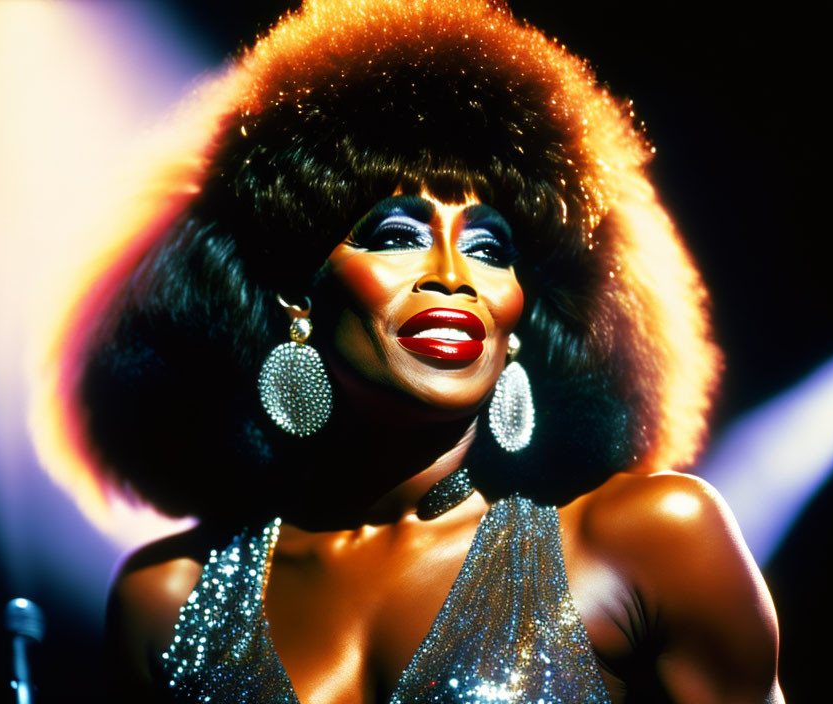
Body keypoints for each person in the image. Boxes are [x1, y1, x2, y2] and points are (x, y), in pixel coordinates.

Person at [39, 0, 783, 701]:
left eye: (492, 247)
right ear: (297, 293)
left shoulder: (650, 540)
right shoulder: (166, 600)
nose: (454, 277)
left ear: (522, 313)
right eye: (398, 236)